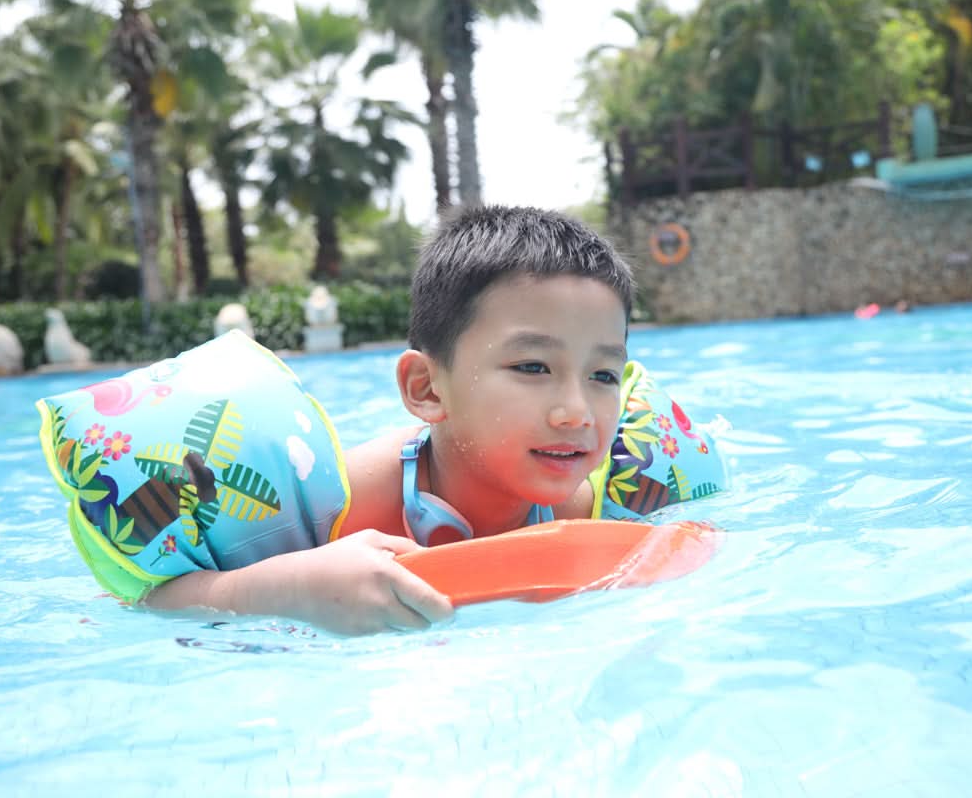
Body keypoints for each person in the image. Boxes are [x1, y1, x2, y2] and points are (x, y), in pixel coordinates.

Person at [37, 206, 725, 636]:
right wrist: (291, 587)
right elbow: (150, 606)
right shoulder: (334, 509)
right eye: (533, 368)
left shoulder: (608, 506)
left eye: (604, 374)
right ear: (426, 388)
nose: (577, 409)